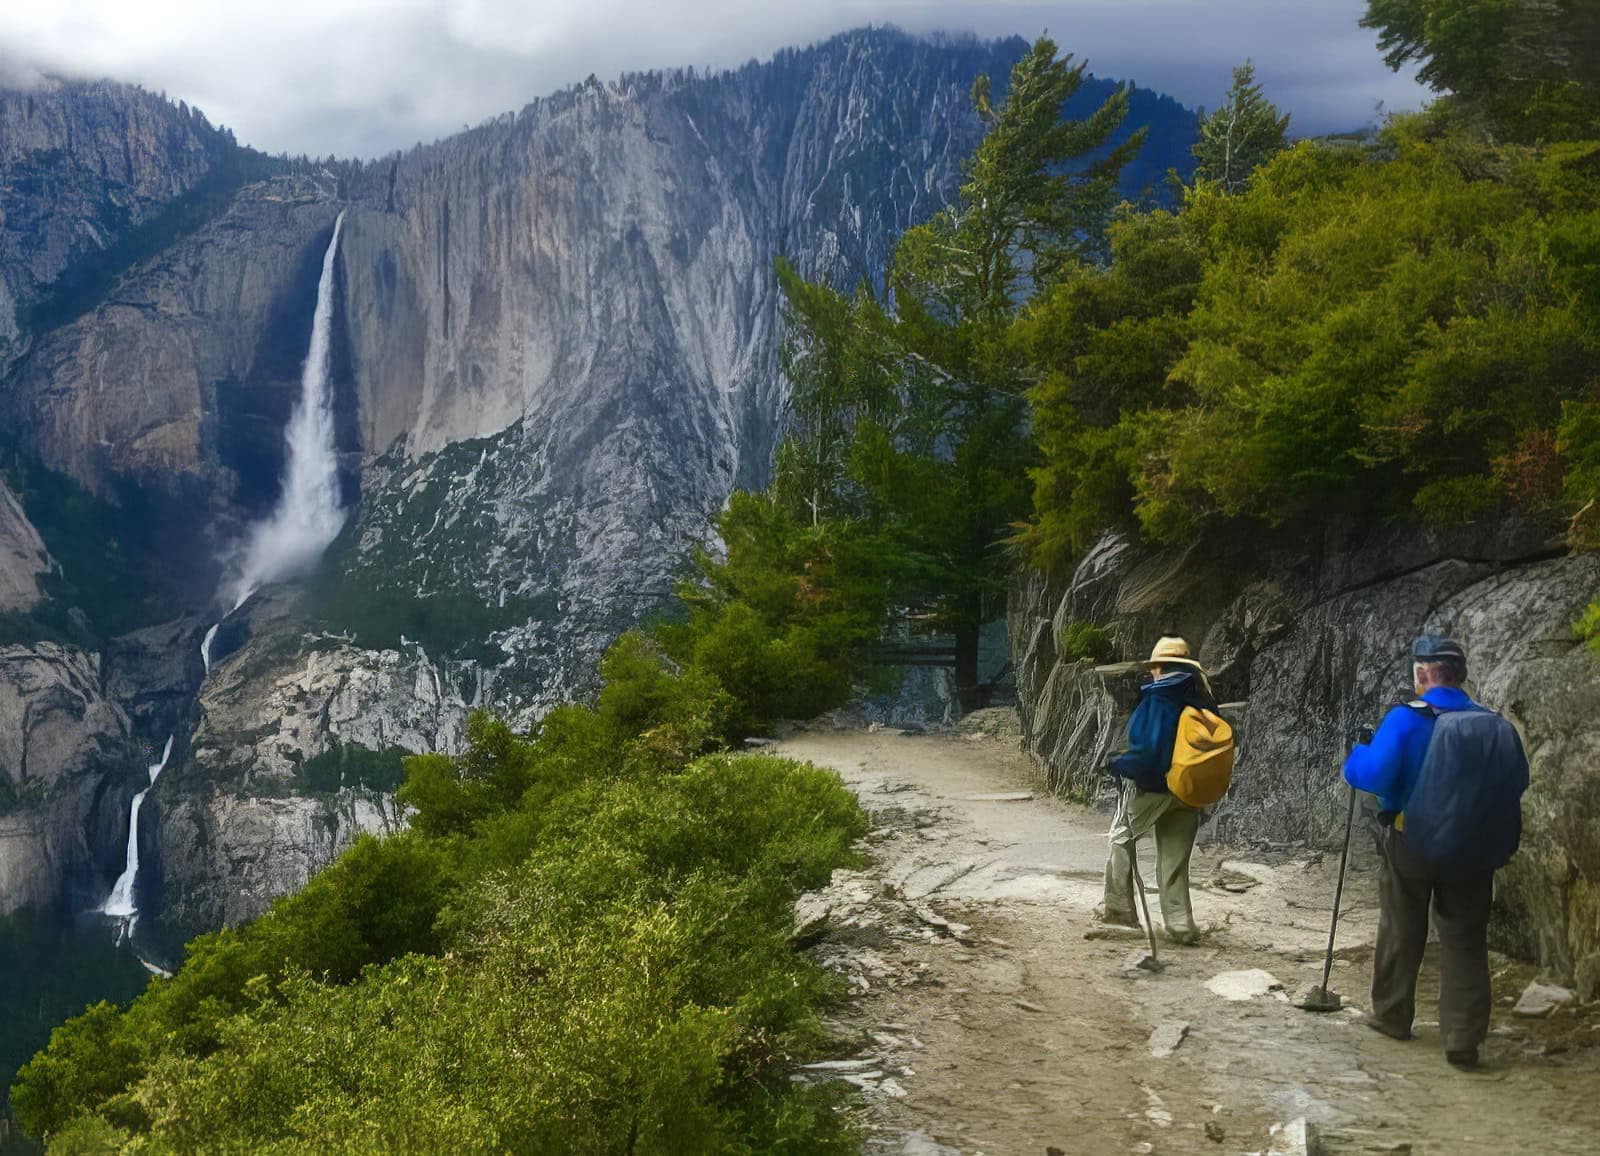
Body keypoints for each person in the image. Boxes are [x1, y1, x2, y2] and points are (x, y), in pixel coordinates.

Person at [1343, 634, 1529, 1069]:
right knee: (1465, 939)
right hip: (1472, 850)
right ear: (1460, 676)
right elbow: (1516, 780)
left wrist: (1354, 755)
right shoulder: (1491, 722)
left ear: (1422, 674)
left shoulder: (1406, 720)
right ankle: (1462, 1038)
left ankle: (1392, 1016)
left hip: (1412, 843)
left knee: (1402, 926)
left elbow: (1373, 775)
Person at [1101, 636, 1216, 944]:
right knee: (1174, 858)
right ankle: (1180, 925)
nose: (1151, 673)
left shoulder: (1159, 697)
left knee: (1121, 840)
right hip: (1189, 790)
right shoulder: (1201, 695)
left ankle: (1120, 913)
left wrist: (1119, 764)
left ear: (1161, 667)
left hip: (1154, 787)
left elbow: (1150, 751)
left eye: (1154, 667)